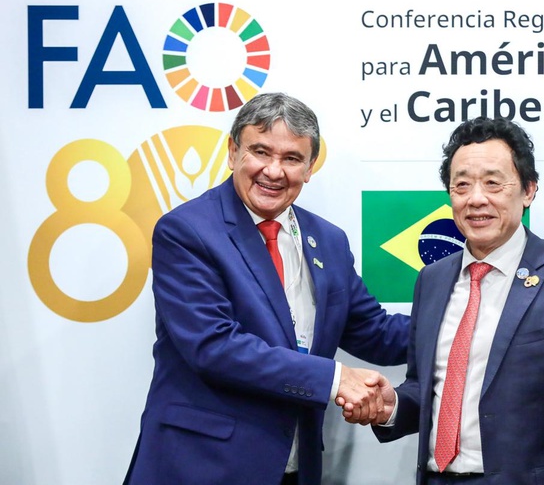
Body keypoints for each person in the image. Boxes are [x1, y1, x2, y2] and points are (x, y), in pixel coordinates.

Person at [123, 92, 409, 485]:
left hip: (294, 468)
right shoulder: (187, 231)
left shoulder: (328, 240)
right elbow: (214, 347)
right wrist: (334, 378)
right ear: (233, 152)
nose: (273, 171)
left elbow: (375, 333)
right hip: (201, 467)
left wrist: (465, 320)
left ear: (309, 168)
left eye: (291, 158)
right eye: (260, 152)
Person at [364, 117, 544, 484]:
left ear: (528, 190)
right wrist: (392, 405)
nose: (476, 199)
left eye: (493, 183)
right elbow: (428, 387)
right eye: (462, 185)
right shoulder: (432, 280)